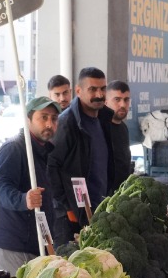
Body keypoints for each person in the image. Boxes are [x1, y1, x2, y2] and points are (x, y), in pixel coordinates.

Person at [49, 66, 130, 230]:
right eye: (92, 89)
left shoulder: (104, 119)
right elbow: (50, 168)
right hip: (72, 218)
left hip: (99, 211)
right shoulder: (67, 124)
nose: (99, 95)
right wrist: (68, 209)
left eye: (102, 89)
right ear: (78, 91)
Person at [0, 97, 63, 273]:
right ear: (28, 120)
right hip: (14, 247)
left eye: (54, 119)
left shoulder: (43, 150)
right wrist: (24, 199)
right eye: (43, 117)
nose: (49, 124)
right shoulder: (14, 148)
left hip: (34, 244)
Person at [104, 79, 134, 180]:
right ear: (105, 101)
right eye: (117, 99)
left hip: (121, 191)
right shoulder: (100, 129)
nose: (123, 105)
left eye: (126, 100)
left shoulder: (123, 128)